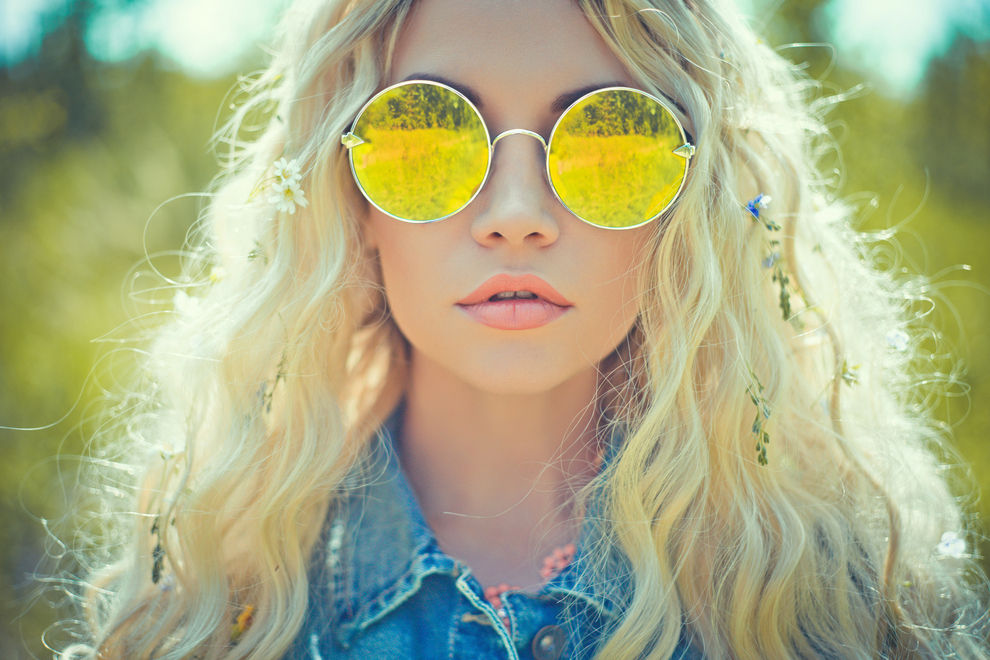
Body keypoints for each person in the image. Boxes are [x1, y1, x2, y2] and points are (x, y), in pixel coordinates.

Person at [55, 0, 990, 658]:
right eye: (427, 137)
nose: (514, 213)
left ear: (690, 201)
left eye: (607, 138)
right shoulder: (211, 617)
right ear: (347, 197)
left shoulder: (839, 612)